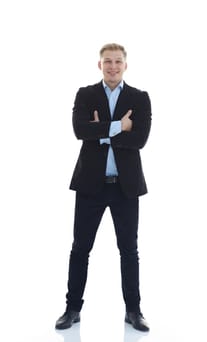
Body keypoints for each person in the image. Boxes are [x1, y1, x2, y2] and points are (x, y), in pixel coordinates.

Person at [55, 43, 152, 332]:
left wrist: (101, 132)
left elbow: (140, 139)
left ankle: (133, 311)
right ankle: (72, 309)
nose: (112, 66)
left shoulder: (140, 97)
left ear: (125, 65)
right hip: (90, 186)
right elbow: (79, 131)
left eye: (117, 62)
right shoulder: (86, 94)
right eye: (107, 61)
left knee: (129, 250)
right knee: (80, 248)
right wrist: (117, 127)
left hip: (126, 186)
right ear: (99, 65)